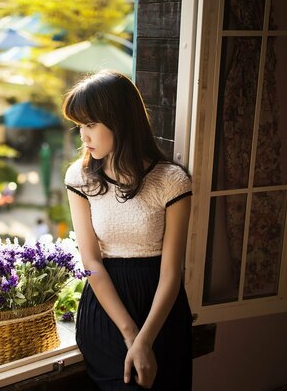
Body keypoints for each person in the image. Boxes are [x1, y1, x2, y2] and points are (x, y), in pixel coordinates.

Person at [63, 70, 193, 390]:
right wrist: (131, 335)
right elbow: (91, 263)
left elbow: (171, 272)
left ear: (120, 121)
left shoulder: (171, 181)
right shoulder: (81, 179)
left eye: (91, 124)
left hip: (161, 309)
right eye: (80, 125)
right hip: (108, 309)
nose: (84, 136)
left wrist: (146, 339)